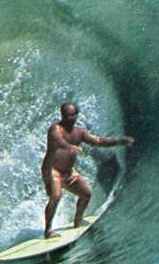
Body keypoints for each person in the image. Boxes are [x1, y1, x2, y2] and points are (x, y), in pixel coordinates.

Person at [41, 102, 134, 238]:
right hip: (52, 170)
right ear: (62, 115)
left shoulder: (79, 133)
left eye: (73, 115)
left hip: (68, 172)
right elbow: (57, 140)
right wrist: (68, 146)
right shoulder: (55, 129)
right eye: (67, 115)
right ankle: (48, 230)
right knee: (56, 196)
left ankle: (78, 222)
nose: (70, 118)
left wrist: (120, 141)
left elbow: (99, 141)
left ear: (77, 115)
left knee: (86, 194)